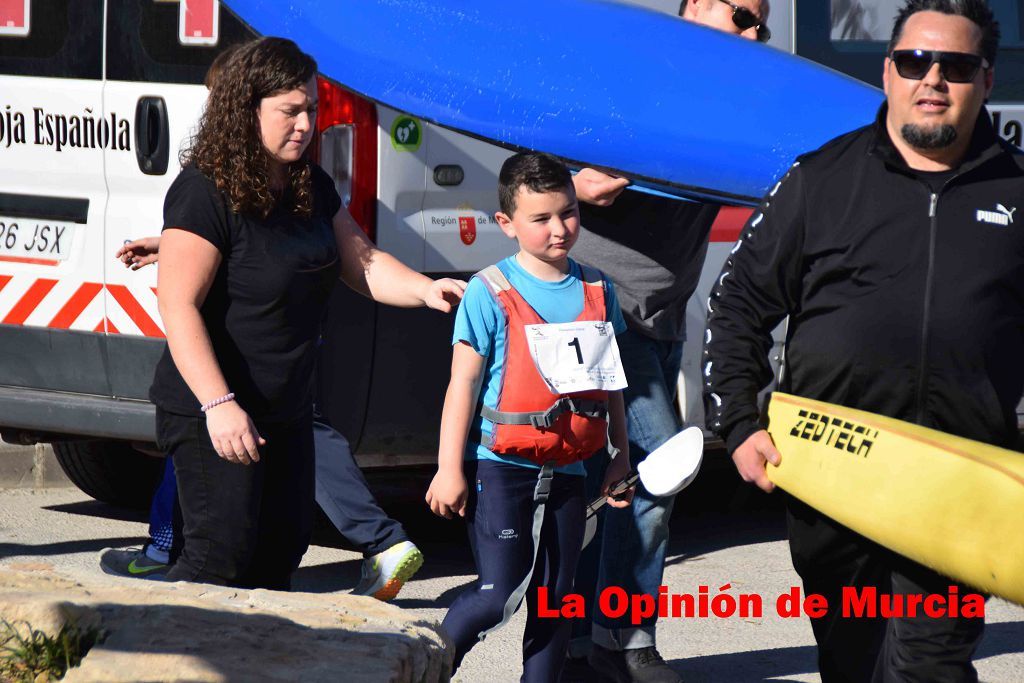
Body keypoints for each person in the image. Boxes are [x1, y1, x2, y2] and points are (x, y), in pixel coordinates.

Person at [703, 1, 1017, 680]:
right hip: (832, 478)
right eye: (914, 61)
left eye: (956, 66)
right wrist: (739, 420)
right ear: (888, 72)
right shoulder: (821, 179)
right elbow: (738, 306)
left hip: (957, 486)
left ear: (985, 81)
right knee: (852, 663)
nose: (932, 78)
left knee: (930, 665)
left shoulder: (1017, 191)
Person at [148, 36, 463, 590]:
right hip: (214, 412)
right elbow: (178, 303)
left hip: (286, 411)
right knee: (218, 561)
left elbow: (361, 263)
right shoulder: (202, 191)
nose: (305, 124)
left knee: (278, 557)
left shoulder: (309, 185)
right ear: (246, 111)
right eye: (289, 111)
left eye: (311, 110)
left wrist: (426, 289)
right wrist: (220, 405)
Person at [566, 1, 770, 681]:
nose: (752, 32)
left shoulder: (735, 99)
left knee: (607, 485)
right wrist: (575, 179)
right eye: (740, 14)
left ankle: (579, 643)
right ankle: (623, 643)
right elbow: (531, 150)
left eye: (760, 23)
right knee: (659, 469)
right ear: (691, 8)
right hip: (598, 313)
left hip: (660, 318)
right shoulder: (628, 72)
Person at [426, 152, 635, 682]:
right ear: (507, 223)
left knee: (556, 603)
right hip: (501, 468)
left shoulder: (598, 289)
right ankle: (418, 666)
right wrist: (449, 469)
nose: (558, 228)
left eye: (567, 213)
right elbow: (462, 385)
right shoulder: (488, 291)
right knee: (498, 595)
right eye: (540, 218)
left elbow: (610, 384)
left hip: (570, 473)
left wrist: (619, 458)